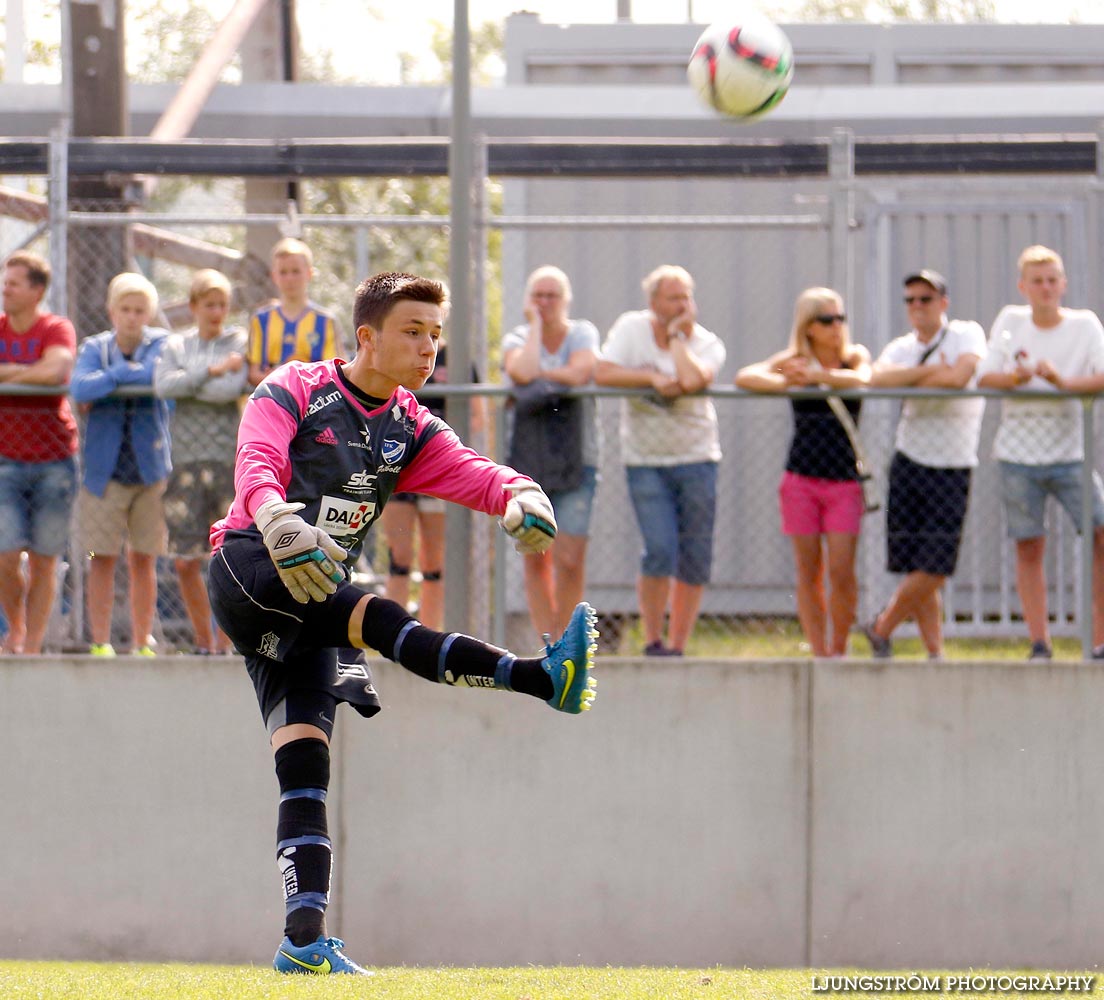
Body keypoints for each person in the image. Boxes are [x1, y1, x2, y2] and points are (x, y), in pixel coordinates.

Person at [206, 271, 597, 976]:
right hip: (252, 567)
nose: (428, 348)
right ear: (367, 337)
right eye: (412, 331)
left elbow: (476, 472)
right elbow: (255, 463)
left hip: (313, 602)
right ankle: (540, 678)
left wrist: (520, 493)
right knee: (377, 614)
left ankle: (302, 943)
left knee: (305, 766)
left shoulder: (410, 424)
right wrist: (276, 518)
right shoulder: (295, 387)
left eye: (435, 334)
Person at [976, 245, 1104, 660]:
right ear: (1023, 287)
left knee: (1100, 534)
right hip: (1018, 455)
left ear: (1063, 284)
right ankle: (1039, 642)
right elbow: (986, 377)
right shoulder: (1010, 322)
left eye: (1052, 280)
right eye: (1038, 281)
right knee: (1029, 545)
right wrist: (1016, 377)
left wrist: (1061, 382)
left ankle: (1099, 640)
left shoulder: (1085, 325)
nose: (1046, 288)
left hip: (1072, 453)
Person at [595, 264, 725, 656]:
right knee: (659, 549)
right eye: (673, 297)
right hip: (645, 461)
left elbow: (693, 380)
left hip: (698, 457)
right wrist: (649, 378)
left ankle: (678, 644)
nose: (682, 304)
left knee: (695, 554)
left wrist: (674, 339)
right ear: (653, 302)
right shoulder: (630, 329)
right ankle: (653, 640)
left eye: (687, 296)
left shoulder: (706, 341)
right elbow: (604, 372)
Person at [736, 287, 871, 658]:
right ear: (809, 326)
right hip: (801, 480)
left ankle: (840, 648)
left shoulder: (852, 357)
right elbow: (746, 376)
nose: (836, 327)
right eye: (826, 320)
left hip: (844, 481)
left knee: (842, 570)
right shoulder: (794, 359)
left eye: (840, 318)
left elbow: (864, 379)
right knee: (808, 571)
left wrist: (820, 375)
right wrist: (787, 381)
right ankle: (819, 650)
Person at [861, 271, 987, 659]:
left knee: (935, 564)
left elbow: (961, 377)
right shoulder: (901, 346)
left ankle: (881, 625)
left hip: (952, 462)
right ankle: (936, 654)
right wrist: (930, 371)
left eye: (926, 299)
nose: (917, 306)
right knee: (914, 562)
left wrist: (914, 379)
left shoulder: (965, 333)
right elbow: (876, 378)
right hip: (909, 460)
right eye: (911, 300)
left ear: (943, 303)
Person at [71, 272, 171, 657]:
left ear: (149, 313)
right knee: (100, 558)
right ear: (112, 311)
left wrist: (111, 383)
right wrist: (120, 375)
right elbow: (80, 387)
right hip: (103, 473)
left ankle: (141, 640)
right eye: (125, 310)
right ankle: (101, 641)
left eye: (139, 310)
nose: (131, 317)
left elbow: (157, 375)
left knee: (143, 558)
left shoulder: (160, 343)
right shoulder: (95, 347)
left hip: (150, 472)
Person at [502, 265, 600, 639]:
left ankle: (569, 636)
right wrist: (536, 332)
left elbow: (580, 372)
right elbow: (522, 371)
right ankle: (549, 642)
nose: (545, 302)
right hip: (529, 460)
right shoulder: (519, 336)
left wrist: (541, 376)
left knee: (570, 557)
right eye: (538, 295)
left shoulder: (583, 332)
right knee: (535, 553)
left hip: (578, 458)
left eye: (552, 295)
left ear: (566, 299)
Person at [154, 269, 248, 654]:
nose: (216, 312)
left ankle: (226, 643)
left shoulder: (237, 340)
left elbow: (231, 389)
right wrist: (210, 371)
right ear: (193, 307)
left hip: (226, 462)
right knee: (185, 559)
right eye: (208, 304)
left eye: (222, 304)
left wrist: (195, 383)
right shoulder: (176, 346)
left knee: (226, 558)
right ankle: (202, 640)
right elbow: (164, 386)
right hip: (186, 462)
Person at [0, 251, 79, 654]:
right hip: (4, 462)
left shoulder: (55, 327)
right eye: (5, 281)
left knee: (46, 560)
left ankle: (31, 646)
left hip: (54, 462)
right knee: (6, 554)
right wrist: (30, 371)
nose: (5, 289)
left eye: (14, 282)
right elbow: (43, 370)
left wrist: (8, 373)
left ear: (37, 291)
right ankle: (15, 628)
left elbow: (56, 371)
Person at [377, 338, 481, 630]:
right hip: (395, 468)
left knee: (434, 561)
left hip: (436, 472)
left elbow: (477, 416)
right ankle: (392, 636)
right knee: (399, 557)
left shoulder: (456, 358)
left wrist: (439, 444)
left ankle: (430, 638)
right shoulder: (395, 353)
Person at [247, 237, 343, 387]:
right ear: (274, 276)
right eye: (283, 272)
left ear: (309, 273)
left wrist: (298, 384)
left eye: (296, 271)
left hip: (314, 404)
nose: (290, 278)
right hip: (274, 402)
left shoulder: (325, 321)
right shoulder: (261, 319)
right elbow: (253, 373)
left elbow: (335, 373)